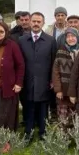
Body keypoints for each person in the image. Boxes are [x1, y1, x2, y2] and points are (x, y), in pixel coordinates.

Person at [18, 12, 58, 144]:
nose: (35, 24)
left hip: (44, 81)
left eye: (38, 21)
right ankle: (28, 134)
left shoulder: (50, 40)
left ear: (43, 23)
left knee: (43, 110)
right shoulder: (22, 40)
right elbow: (19, 62)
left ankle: (43, 133)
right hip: (27, 81)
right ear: (30, 22)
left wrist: (52, 80)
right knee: (28, 108)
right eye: (33, 21)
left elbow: (54, 62)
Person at [52, 27, 79, 130]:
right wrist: (58, 89)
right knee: (63, 117)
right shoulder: (61, 51)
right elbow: (55, 72)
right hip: (63, 91)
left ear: (77, 37)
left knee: (76, 117)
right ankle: (63, 141)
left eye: (73, 36)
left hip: (78, 91)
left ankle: (75, 138)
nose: (70, 38)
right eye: (68, 36)